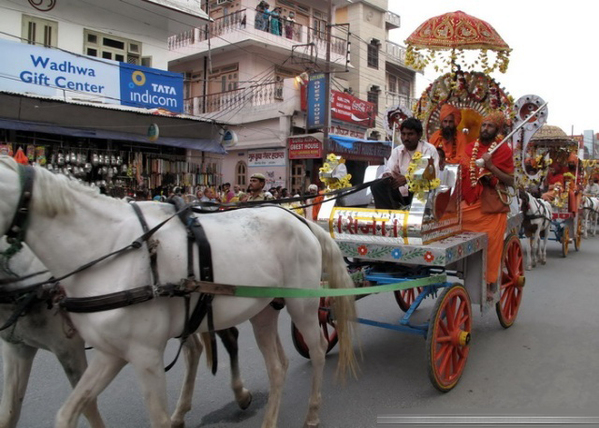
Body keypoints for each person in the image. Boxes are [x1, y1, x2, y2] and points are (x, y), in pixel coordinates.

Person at [460, 111, 514, 295]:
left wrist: (490, 167)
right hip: (470, 199)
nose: (485, 129)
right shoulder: (469, 148)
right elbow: (464, 174)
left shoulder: (503, 150)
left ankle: (491, 281)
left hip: (491, 203)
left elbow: (510, 180)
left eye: (490, 126)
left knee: (491, 238)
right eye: (484, 125)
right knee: (450, 219)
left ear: (497, 129)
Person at [371, 117, 439, 209]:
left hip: (421, 194)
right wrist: (387, 176)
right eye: (403, 134)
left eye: (410, 134)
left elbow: (430, 176)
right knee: (377, 185)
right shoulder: (397, 151)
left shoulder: (429, 150)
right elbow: (390, 170)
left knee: (417, 185)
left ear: (419, 135)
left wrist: (407, 179)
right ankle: (387, 217)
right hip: (400, 194)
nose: (406, 138)